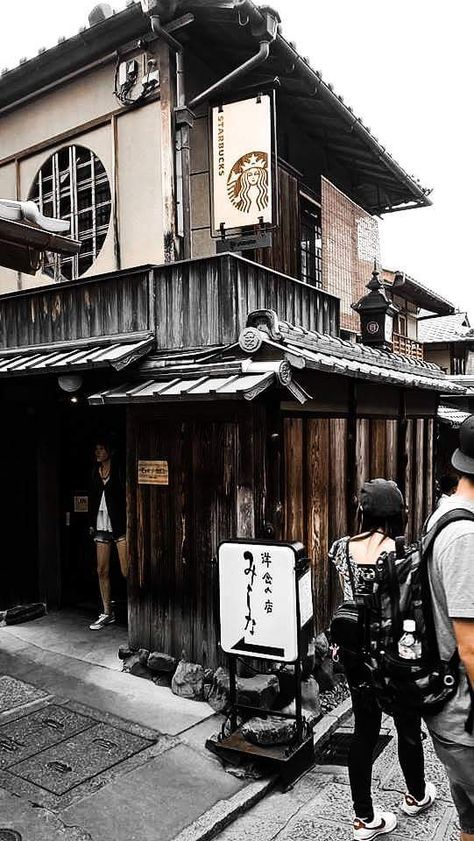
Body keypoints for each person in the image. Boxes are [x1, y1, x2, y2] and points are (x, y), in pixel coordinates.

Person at [329, 479, 436, 840]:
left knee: (364, 730)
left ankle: (363, 818)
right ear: (398, 515)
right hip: (394, 654)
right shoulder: (404, 553)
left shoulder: (340, 549)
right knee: (407, 724)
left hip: (356, 653)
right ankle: (416, 794)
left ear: (363, 513)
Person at [425, 416, 474, 841]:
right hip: (464, 717)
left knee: (469, 821)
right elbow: (470, 647)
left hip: (454, 714)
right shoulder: (464, 537)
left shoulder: (443, 513)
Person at [88, 438, 128, 630]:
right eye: (96, 449)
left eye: (101, 448)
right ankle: (106, 612)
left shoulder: (119, 471)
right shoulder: (95, 473)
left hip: (119, 524)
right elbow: (92, 497)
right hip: (101, 523)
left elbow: (127, 495)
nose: (98, 452)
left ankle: (134, 612)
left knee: (126, 570)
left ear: (109, 451)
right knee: (101, 570)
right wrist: (90, 523)